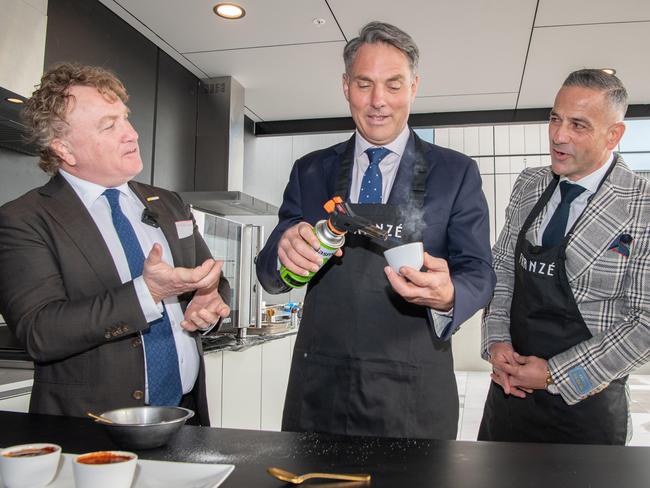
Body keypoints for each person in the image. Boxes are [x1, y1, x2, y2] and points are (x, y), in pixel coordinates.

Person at [256, 21, 495, 439]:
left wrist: (450, 294)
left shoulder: (455, 173)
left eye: (394, 84)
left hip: (413, 391)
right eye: (364, 84)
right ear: (346, 86)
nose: (378, 101)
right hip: (320, 389)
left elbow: (479, 271)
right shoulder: (311, 171)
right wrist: (283, 251)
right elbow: (269, 272)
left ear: (414, 86)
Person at [0, 63, 231, 425]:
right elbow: (40, 331)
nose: (132, 133)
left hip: (187, 417)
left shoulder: (168, 202)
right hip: (91, 429)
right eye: (109, 125)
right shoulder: (24, 219)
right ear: (64, 149)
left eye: (125, 118)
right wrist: (147, 292)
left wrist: (209, 303)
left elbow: (210, 280)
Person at [479, 69, 650, 444]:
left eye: (578, 125)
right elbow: (504, 268)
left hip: (587, 405)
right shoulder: (529, 183)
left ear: (614, 134)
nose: (558, 136)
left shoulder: (642, 206)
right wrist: (497, 342)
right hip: (509, 397)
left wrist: (555, 374)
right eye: (555, 118)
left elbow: (646, 322)